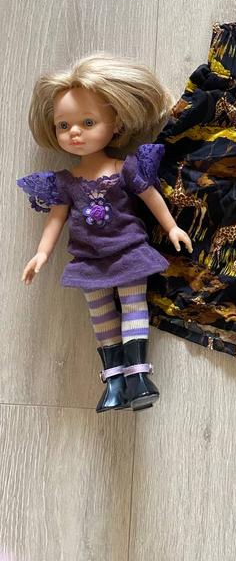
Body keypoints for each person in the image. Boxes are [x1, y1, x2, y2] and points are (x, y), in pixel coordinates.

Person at [16, 53, 192, 412]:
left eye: (87, 122)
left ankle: (139, 376)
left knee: (133, 306)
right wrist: (42, 254)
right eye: (63, 125)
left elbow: (151, 197)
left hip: (129, 251)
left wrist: (172, 226)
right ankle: (113, 382)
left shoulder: (126, 168)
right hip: (88, 261)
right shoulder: (64, 182)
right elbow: (55, 220)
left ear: (116, 124)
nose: (74, 132)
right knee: (101, 315)